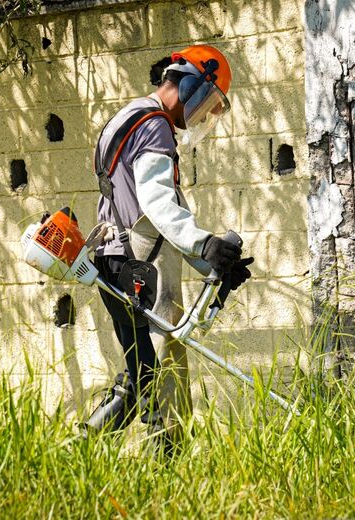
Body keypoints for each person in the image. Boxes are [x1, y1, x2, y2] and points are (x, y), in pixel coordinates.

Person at [82, 45, 253, 448]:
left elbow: (147, 208)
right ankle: (168, 465)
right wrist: (205, 243)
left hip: (112, 261)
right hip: (139, 268)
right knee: (163, 371)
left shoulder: (127, 117)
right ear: (189, 82)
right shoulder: (155, 125)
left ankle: (78, 452)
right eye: (206, 100)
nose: (201, 114)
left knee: (142, 375)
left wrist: (210, 261)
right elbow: (157, 205)